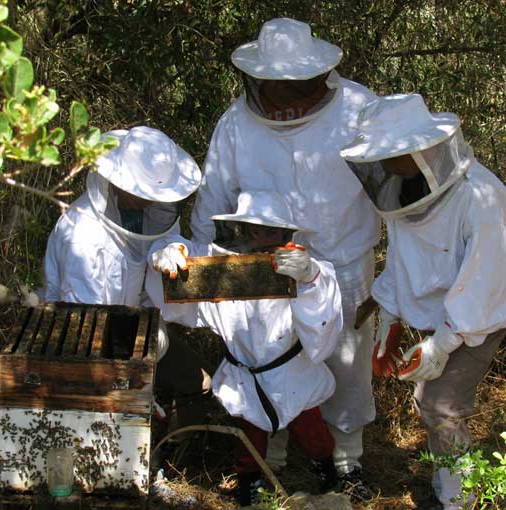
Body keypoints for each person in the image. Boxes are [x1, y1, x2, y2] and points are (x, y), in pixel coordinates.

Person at [189, 17, 379, 497]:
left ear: (320, 74)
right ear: (258, 80)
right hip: (262, 270)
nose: (291, 96)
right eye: (280, 85)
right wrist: (197, 265)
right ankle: (265, 458)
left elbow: (396, 183)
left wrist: (398, 274)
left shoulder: (358, 109)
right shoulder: (236, 123)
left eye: (300, 83)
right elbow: (213, 198)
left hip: (344, 257)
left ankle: (346, 458)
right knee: (267, 358)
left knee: (345, 361)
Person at [340, 93, 506, 510]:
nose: (385, 166)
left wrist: (441, 344)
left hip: (482, 314)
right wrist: (390, 320)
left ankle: (460, 500)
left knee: (439, 403)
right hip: (450, 313)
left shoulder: (481, 197)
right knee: (430, 402)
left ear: (422, 148)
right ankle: (451, 486)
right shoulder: (403, 188)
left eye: (392, 155)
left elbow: (485, 282)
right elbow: (402, 258)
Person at [147, 190, 344, 505]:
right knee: (249, 438)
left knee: (313, 434)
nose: (262, 237)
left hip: (291, 371)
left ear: (285, 232)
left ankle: (328, 474)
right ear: (242, 230)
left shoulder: (302, 265)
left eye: (271, 231)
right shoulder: (224, 267)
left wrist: (310, 277)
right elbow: (178, 259)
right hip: (245, 374)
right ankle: (248, 485)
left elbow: (325, 311)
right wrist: (171, 250)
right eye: (255, 230)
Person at [43, 125, 211, 429]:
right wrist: (145, 348)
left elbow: (155, 261)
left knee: (196, 383)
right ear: (116, 179)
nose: (148, 202)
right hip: (84, 351)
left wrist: (172, 249)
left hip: (138, 329)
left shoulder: (150, 213)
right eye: (141, 194)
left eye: (155, 195)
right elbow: (88, 335)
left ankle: (173, 446)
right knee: (120, 424)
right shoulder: (84, 238)